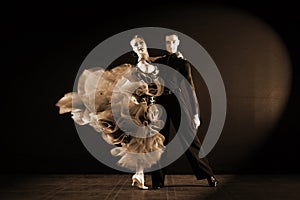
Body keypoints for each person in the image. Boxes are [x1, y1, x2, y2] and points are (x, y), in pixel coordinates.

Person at [56, 35, 168, 190]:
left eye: (141, 42)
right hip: (137, 108)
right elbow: (124, 87)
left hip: (150, 109)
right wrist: (135, 96)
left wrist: (175, 56)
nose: (139, 46)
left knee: (143, 142)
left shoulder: (155, 61)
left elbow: (162, 62)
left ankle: (139, 174)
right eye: (135, 45)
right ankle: (139, 174)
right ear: (133, 50)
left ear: (145, 43)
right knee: (141, 140)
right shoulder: (133, 68)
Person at [150, 34, 218, 189]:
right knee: (158, 141)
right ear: (165, 43)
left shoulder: (183, 63)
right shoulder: (159, 62)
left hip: (177, 101)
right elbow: (146, 61)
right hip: (160, 102)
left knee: (190, 139)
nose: (171, 44)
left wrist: (195, 114)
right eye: (168, 42)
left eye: (174, 42)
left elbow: (191, 89)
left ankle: (209, 175)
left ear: (178, 43)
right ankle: (157, 181)